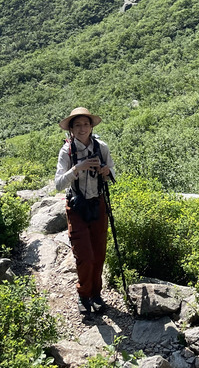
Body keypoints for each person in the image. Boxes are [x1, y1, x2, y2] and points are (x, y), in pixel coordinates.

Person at [54, 106, 116, 314]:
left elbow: (112, 172)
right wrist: (77, 169)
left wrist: (106, 171)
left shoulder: (101, 147)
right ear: (71, 129)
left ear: (91, 126)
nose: (82, 128)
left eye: (86, 124)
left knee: (99, 253)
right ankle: (84, 295)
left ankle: (96, 294)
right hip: (77, 205)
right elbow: (58, 184)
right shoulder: (67, 151)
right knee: (85, 255)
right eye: (77, 125)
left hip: (98, 203)